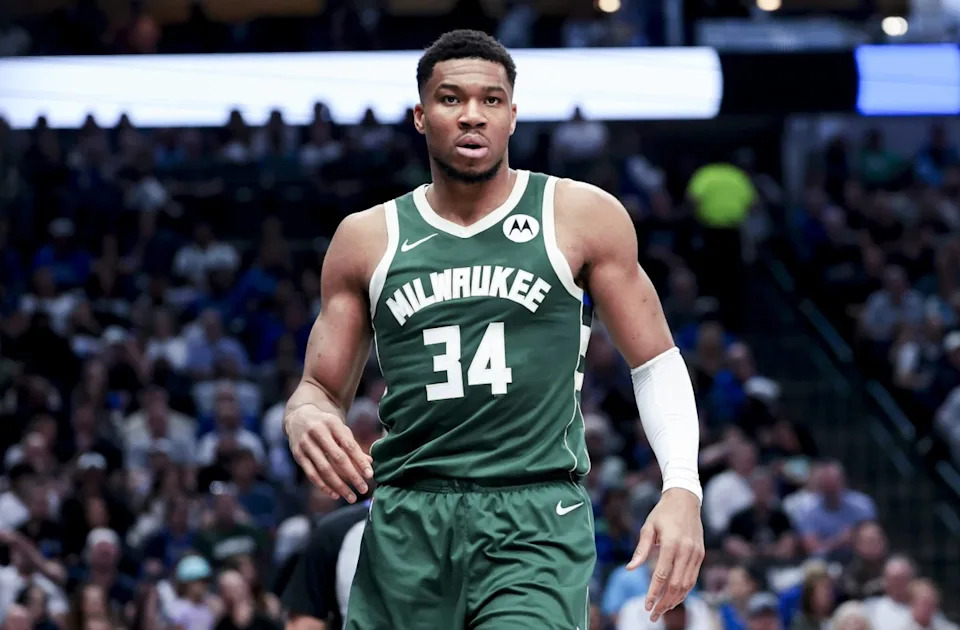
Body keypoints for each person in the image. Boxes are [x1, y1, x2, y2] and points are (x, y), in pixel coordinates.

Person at [284, 29, 704, 630]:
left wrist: (683, 487)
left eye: (491, 99)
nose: (472, 115)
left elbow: (656, 361)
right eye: (451, 99)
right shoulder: (367, 237)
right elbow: (319, 387)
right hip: (409, 515)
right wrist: (304, 414)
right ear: (421, 116)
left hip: (534, 513)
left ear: (513, 115)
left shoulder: (579, 215)